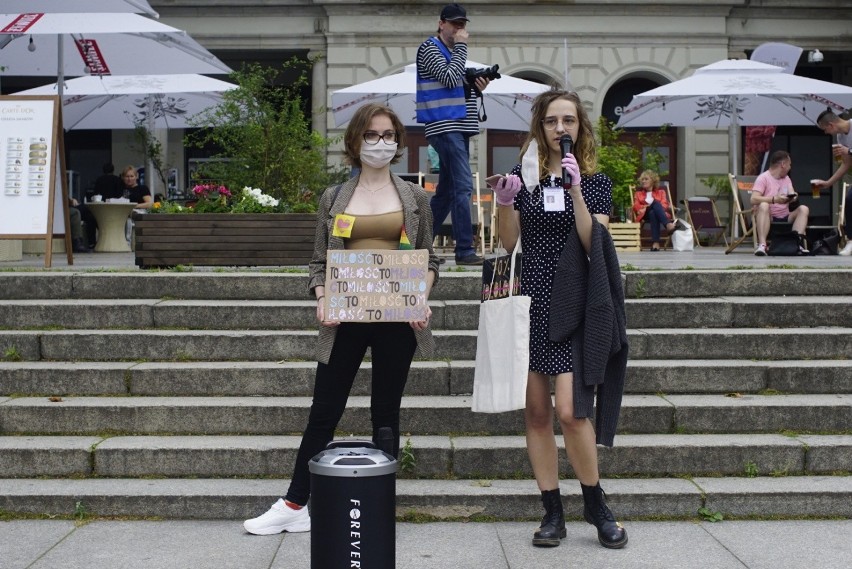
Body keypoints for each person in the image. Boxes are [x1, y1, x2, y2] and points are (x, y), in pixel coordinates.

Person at [243, 103, 440, 536]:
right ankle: (295, 502)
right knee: (324, 410)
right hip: (345, 318)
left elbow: (430, 259)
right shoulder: (334, 198)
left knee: (385, 413)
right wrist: (321, 296)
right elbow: (319, 262)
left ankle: (380, 503)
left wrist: (420, 296)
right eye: (372, 135)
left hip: (396, 319)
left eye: (389, 136)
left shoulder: (415, 198)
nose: (381, 143)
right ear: (355, 141)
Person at [492, 89, 628, 550]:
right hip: (529, 300)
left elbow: (597, 244)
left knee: (571, 412)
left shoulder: (592, 179)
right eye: (551, 121)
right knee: (535, 412)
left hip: (573, 301)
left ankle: (596, 503)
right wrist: (506, 202)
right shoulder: (522, 176)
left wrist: (574, 188)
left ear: (580, 127)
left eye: (568, 120)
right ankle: (552, 511)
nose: (559, 129)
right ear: (540, 126)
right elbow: (508, 243)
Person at [416, 2, 491, 266]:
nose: (459, 28)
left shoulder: (452, 53)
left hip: (457, 128)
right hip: (444, 126)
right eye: (455, 23)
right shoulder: (430, 48)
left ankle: (419, 248)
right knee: (463, 186)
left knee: (447, 192)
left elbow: (455, 86)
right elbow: (448, 79)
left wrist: (476, 85)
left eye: (462, 24)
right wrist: (462, 48)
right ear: (441, 23)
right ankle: (465, 251)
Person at [750, 150, 809, 256]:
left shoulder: (786, 179)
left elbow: (792, 192)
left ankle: (796, 243)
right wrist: (774, 199)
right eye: (789, 164)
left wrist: (793, 196)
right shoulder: (763, 178)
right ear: (783, 164)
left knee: (803, 209)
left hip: (786, 215)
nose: (790, 167)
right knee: (763, 205)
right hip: (769, 217)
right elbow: (753, 199)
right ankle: (762, 245)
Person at [812, 110, 852, 255]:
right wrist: (828, 183)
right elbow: (846, 164)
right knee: (849, 199)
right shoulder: (841, 138)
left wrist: (849, 151)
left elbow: (849, 153)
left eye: (825, 130)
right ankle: (851, 241)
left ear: (831, 124)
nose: (826, 133)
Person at [631, 169, 685, 251]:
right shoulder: (638, 194)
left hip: (657, 214)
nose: (643, 181)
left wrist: (653, 205)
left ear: (653, 181)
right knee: (655, 204)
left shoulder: (661, 192)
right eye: (642, 179)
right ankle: (668, 225)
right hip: (644, 214)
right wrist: (648, 206)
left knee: (653, 212)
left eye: (646, 179)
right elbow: (636, 206)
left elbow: (664, 205)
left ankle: (655, 244)